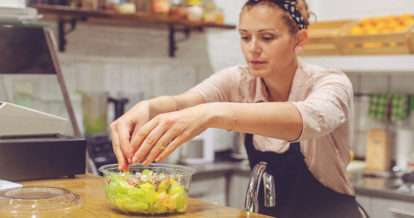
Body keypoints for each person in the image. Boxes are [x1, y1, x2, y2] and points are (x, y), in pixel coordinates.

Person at [110, 0, 368, 217]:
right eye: (245, 37)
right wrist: (147, 107)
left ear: (299, 39)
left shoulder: (331, 83)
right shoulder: (239, 80)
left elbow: (308, 119)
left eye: (267, 37)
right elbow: (182, 103)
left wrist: (210, 114)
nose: (252, 48)